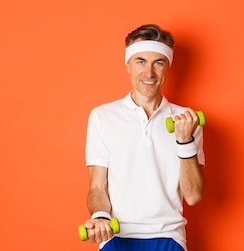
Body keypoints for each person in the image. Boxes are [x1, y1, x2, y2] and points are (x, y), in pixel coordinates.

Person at [82, 24, 205, 251]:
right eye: (140, 61)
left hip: (169, 236)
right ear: (128, 65)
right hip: (116, 236)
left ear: (168, 67)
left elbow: (193, 196)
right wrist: (100, 217)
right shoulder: (102, 116)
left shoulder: (186, 119)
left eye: (158, 62)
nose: (149, 73)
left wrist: (184, 141)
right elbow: (97, 186)